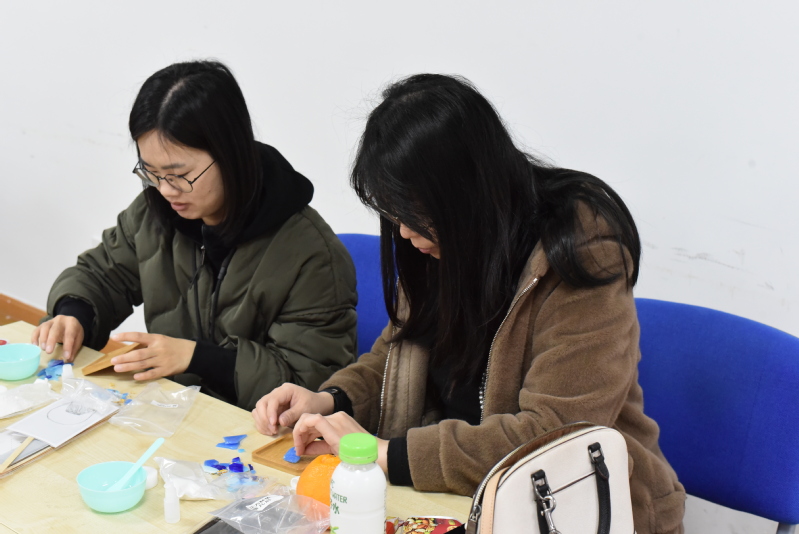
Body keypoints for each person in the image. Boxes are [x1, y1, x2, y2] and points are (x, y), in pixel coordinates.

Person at [251, 74, 685, 533]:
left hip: (577, 511)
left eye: (415, 214)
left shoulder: (581, 255)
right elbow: (396, 357)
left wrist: (389, 454)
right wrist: (328, 400)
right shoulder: (439, 246)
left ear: (468, 193)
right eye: (395, 214)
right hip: (462, 501)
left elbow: (553, 434)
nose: (404, 232)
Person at [33, 61, 358, 410]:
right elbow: (102, 274)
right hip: (173, 411)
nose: (165, 190)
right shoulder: (154, 213)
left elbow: (308, 385)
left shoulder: (311, 254)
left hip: (257, 428)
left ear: (230, 154)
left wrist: (198, 358)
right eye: (151, 173)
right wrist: (73, 313)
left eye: (179, 174)